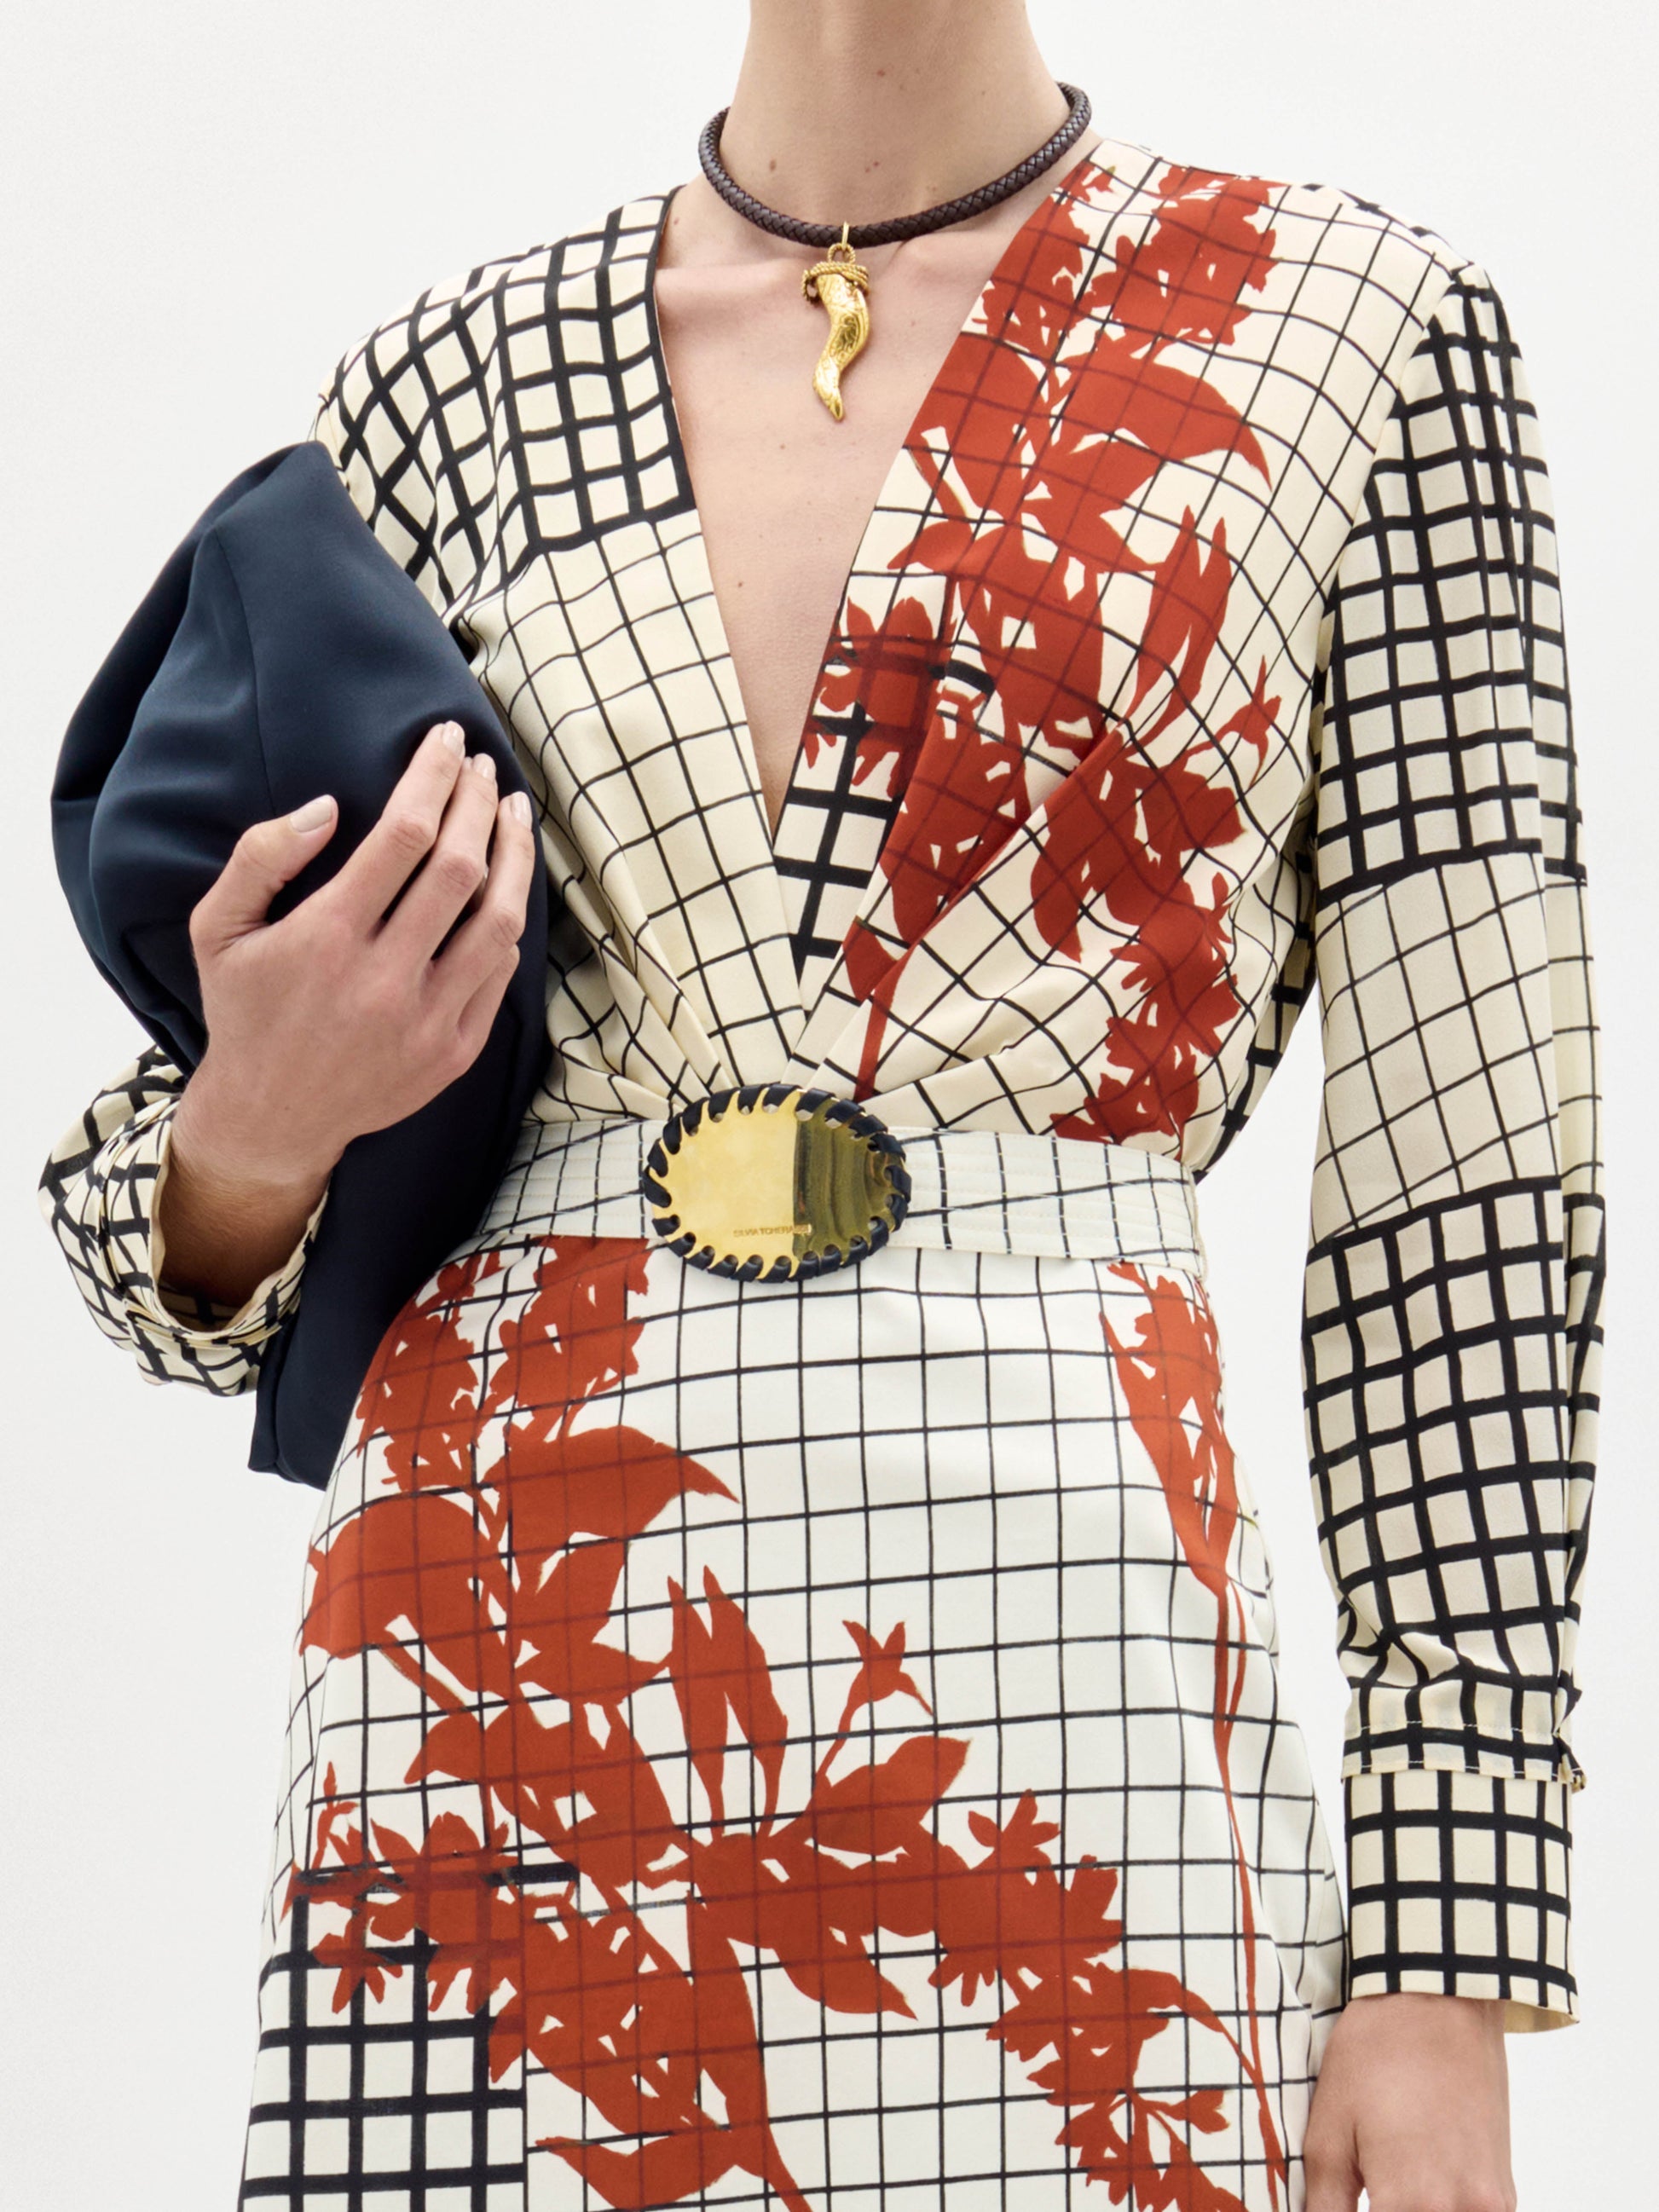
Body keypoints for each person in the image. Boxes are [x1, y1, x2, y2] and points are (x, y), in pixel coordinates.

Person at [38, 4, 1601, 2209]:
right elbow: (162, 1242)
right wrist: (256, 1132)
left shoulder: (1353, 336)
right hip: (494, 1699)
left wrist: (1440, 1949)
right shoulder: (441, 390)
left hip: (1072, 1700)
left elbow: (1468, 1198)